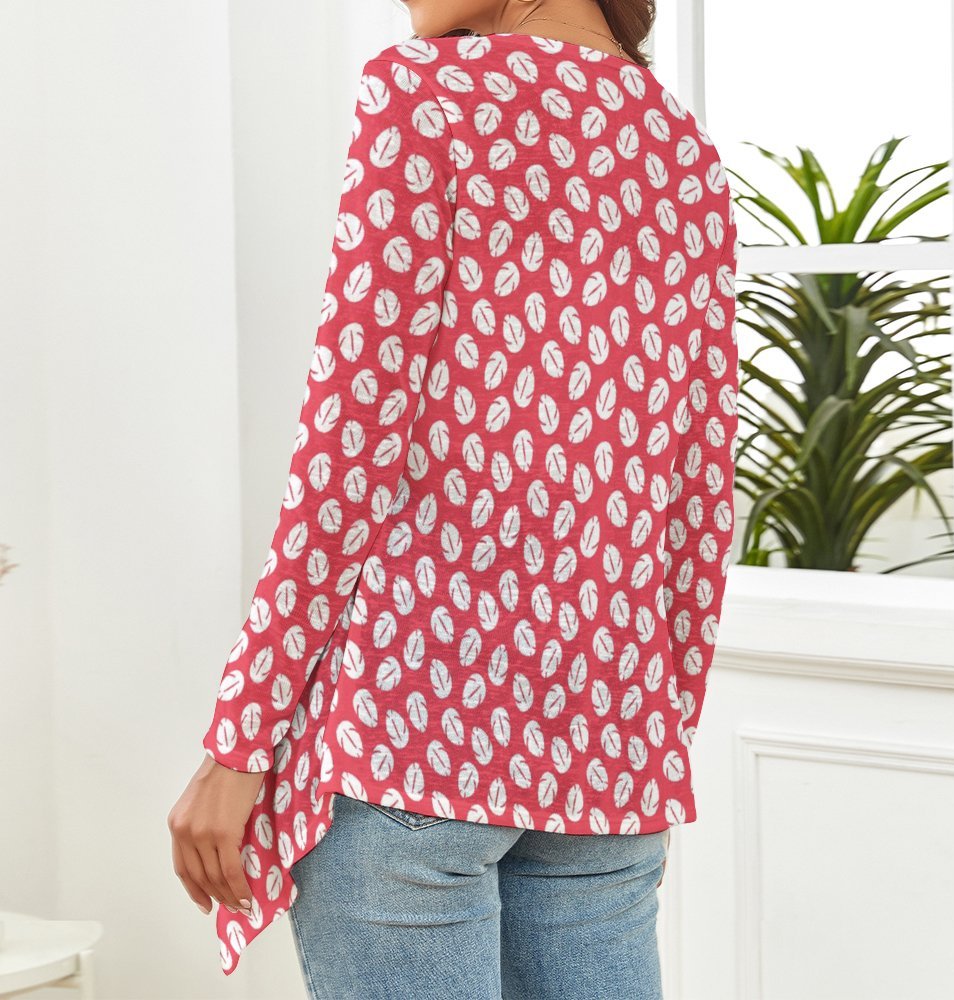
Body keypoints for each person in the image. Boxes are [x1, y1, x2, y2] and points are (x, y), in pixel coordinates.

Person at [167, 0, 740, 996]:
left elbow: (350, 440)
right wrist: (653, 728)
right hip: (607, 739)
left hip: (411, 730)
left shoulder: (423, 93)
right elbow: (699, 478)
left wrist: (240, 739)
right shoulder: (683, 150)